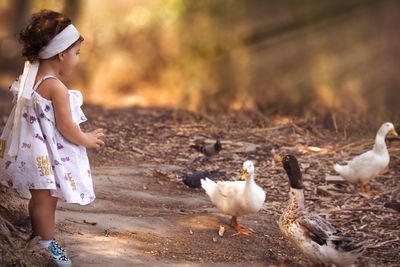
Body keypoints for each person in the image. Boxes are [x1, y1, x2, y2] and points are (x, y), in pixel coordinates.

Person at [0, 9, 104, 266]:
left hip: (32, 152)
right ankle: (47, 242)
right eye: (76, 54)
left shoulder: (30, 80)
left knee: (39, 198)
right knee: (47, 201)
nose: (77, 60)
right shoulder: (56, 87)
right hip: (44, 155)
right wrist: (87, 139)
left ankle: (39, 236)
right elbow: (67, 128)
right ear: (61, 54)